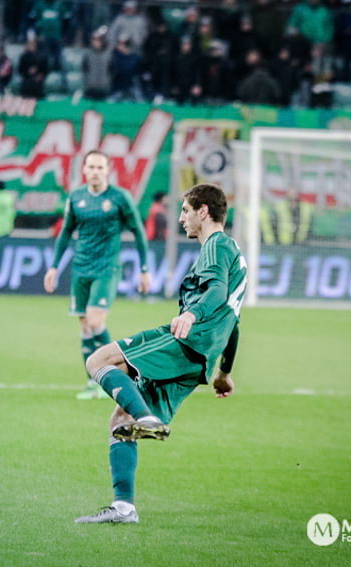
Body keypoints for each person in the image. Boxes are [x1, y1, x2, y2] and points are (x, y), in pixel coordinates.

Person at [74, 183, 246, 524]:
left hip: (187, 339)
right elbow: (234, 321)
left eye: (185, 211)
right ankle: (124, 508)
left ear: (203, 212)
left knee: (98, 360)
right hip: (204, 357)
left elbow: (216, 291)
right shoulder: (233, 253)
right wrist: (224, 372)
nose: (181, 218)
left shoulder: (215, 245)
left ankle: (148, 419)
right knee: (120, 419)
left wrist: (191, 314)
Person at [44, 151, 151, 400]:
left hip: (107, 268)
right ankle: (92, 382)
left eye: (100, 167)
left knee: (94, 321)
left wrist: (144, 269)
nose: (95, 171)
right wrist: (54, 266)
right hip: (81, 268)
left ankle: (116, 373)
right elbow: (66, 232)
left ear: (107, 170)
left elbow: (138, 232)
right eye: (90, 166)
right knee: (84, 326)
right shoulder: (76, 197)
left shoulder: (119, 198)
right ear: (84, 170)